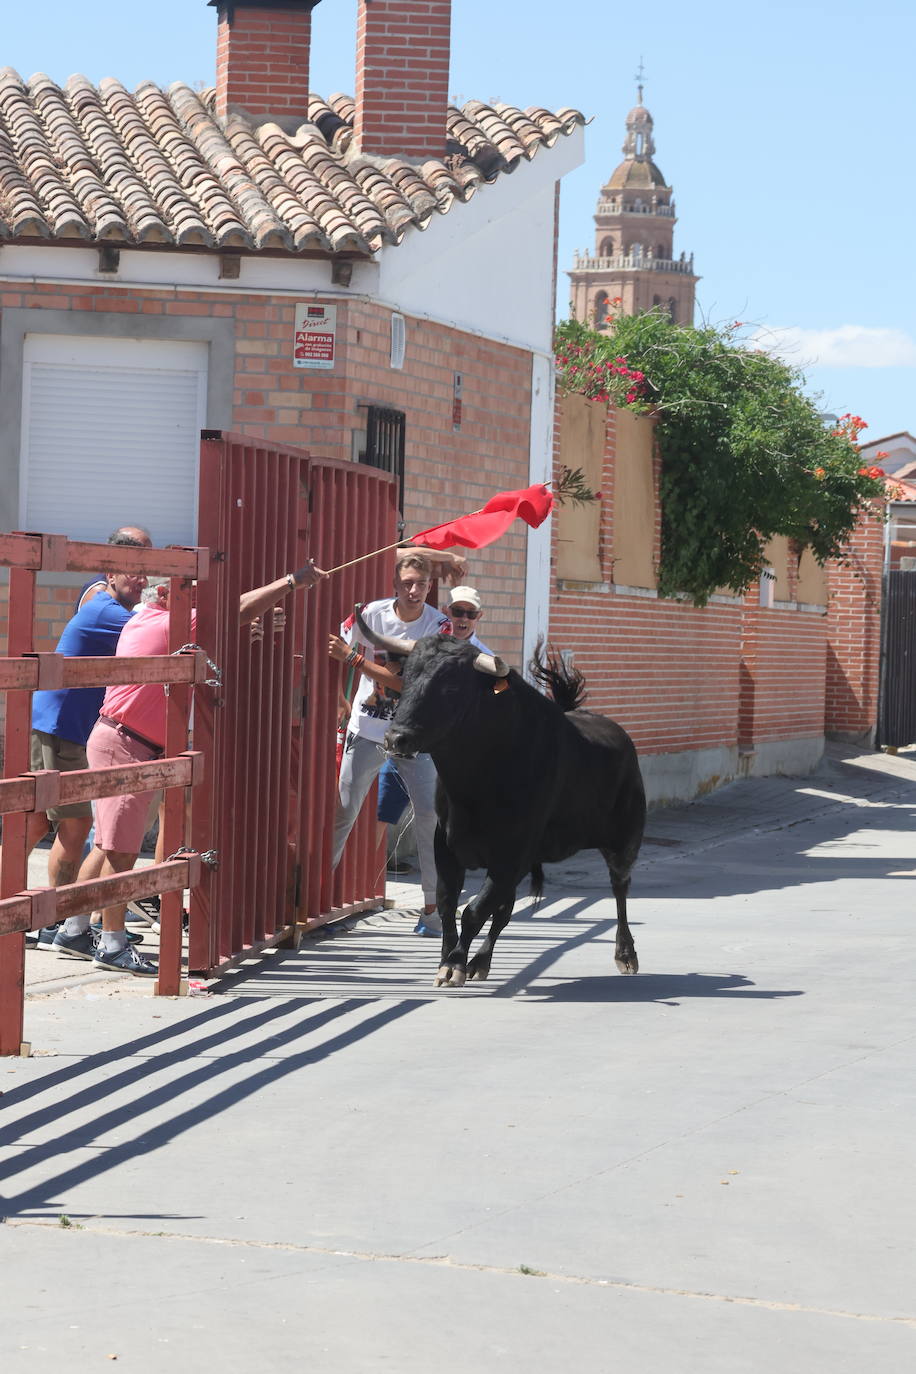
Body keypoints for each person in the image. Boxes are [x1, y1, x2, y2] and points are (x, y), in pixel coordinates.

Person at [52, 558, 327, 976]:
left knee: (111, 844)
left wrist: (237, 631)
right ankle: (112, 943)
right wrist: (289, 581)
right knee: (122, 853)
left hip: (128, 742)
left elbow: (213, 634)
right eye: (193, 595)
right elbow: (228, 615)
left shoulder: (155, 618)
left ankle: (73, 929)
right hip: (126, 743)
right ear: (166, 595)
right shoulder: (164, 621)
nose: (201, 602)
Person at [23, 530, 152, 948]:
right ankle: (53, 923)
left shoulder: (101, 597)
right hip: (65, 726)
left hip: (70, 724)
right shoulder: (109, 611)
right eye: (136, 570)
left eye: (147, 570)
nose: (144, 581)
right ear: (112, 568)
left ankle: (47, 917)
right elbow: (156, 629)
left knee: (42, 820)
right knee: (72, 825)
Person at [329, 552, 450, 936]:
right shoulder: (370, 614)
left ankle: (432, 912)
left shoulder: (440, 627)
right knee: (343, 812)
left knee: (429, 820)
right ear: (395, 585)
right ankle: (316, 903)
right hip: (368, 728)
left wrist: (355, 662)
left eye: (423, 585)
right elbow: (335, 649)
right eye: (408, 584)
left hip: (417, 736)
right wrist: (339, 697)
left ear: (430, 587)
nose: (415, 591)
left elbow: (412, 683)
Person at [443, 584, 493, 654]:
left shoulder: (486, 657)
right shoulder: (429, 643)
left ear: (479, 616)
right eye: (458, 611)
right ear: (445, 612)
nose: (464, 619)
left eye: (471, 613)